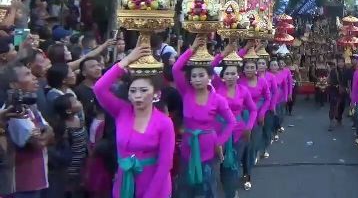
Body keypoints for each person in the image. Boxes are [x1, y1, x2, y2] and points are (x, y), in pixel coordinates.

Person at [94, 46, 175, 198]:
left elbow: (165, 166)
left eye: (144, 91)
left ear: (156, 94)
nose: (138, 95)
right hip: (124, 183)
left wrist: (150, 195)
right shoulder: (121, 111)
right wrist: (126, 61)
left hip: (154, 185)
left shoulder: (164, 123)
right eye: (133, 91)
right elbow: (99, 88)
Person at [172, 37, 235, 198]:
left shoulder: (217, 100)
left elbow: (231, 122)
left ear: (210, 77)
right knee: (185, 187)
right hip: (188, 146)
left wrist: (219, 141)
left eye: (201, 75)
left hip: (208, 147)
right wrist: (191, 48)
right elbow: (176, 69)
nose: (197, 79)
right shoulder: (186, 93)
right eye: (194, 76)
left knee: (208, 187)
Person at [5, 61, 55, 198]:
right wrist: (45, 135)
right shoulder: (13, 111)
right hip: (22, 184)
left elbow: (50, 131)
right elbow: (37, 143)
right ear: (13, 84)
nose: (34, 77)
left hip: (36, 180)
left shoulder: (30, 105)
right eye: (27, 74)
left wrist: (45, 133)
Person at [216, 53, 257, 198]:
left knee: (233, 164)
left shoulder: (243, 91)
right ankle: (225, 187)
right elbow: (211, 66)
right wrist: (226, 52)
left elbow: (253, 110)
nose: (230, 76)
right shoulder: (217, 88)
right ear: (222, 76)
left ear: (238, 75)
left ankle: (231, 193)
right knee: (220, 165)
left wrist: (249, 126)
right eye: (227, 73)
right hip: (220, 133)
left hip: (239, 133)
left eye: (233, 73)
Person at [238, 49, 270, 191]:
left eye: (252, 67)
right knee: (240, 147)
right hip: (239, 118)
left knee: (250, 147)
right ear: (243, 69)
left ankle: (247, 173)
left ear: (257, 69)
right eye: (247, 67)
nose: (250, 69)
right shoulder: (238, 79)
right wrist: (246, 47)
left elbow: (268, 98)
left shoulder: (261, 81)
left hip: (255, 118)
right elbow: (234, 58)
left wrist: (262, 113)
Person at [47, 93, 87, 198]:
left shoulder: (79, 118)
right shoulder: (63, 128)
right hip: (70, 168)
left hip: (81, 163)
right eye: (74, 102)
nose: (79, 102)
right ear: (68, 110)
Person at [328, 56, 351, 130]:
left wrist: (349, 89)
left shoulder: (347, 71)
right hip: (334, 90)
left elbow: (349, 81)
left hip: (343, 91)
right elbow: (330, 81)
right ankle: (331, 121)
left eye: (342, 62)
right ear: (337, 63)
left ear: (344, 62)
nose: (341, 63)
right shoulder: (333, 71)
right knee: (333, 104)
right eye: (339, 62)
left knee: (342, 105)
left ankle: (339, 118)